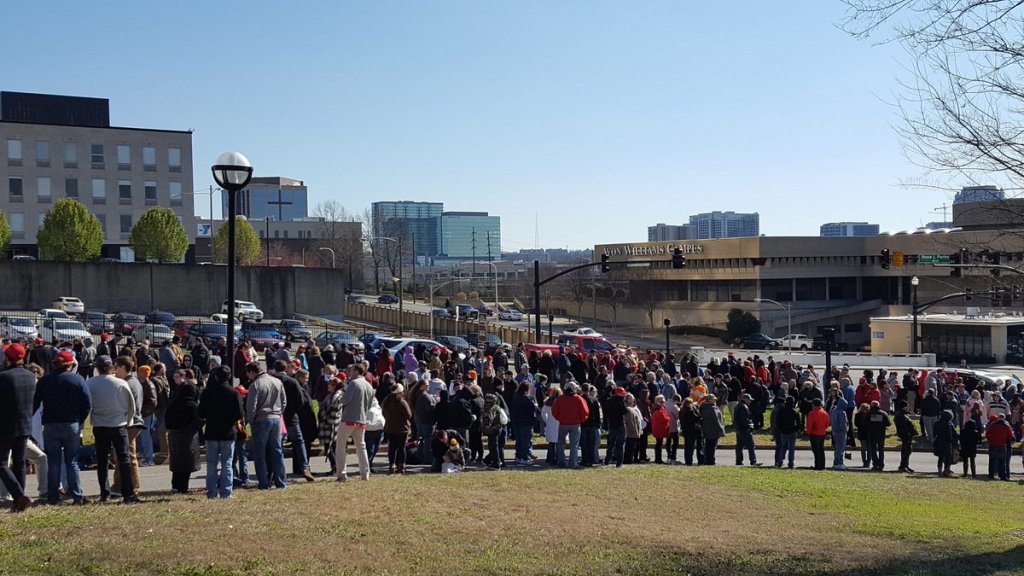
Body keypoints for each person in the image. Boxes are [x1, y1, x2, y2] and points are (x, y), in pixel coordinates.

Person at [33, 349, 91, 504]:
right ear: (70, 364)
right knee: (72, 462)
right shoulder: (78, 380)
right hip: (71, 424)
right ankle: (77, 495)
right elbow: (87, 404)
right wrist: (79, 420)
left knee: (53, 462)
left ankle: (53, 496)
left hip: (50, 424)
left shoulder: (45, 381)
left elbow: (35, 403)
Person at [85, 355, 138, 504]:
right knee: (124, 459)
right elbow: (131, 406)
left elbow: (87, 404)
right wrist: (128, 422)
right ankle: (128, 493)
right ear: (111, 367)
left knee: (102, 460)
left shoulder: (90, 383)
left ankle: (105, 493)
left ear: (97, 368)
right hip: (118, 424)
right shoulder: (121, 383)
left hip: (99, 425)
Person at [0, 343, 37, 512]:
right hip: (24, 424)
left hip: (5, 426)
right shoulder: (30, 376)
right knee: (19, 463)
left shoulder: (4, 377)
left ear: (8, 358)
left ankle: (19, 496)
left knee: (2, 463)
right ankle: (19, 501)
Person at [198, 365, 243, 499]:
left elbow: (200, 413)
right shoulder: (233, 393)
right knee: (227, 463)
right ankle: (226, 492)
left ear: (216, 376)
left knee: (211, 464)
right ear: (229, 377)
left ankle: (211, 491)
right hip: (228, 431)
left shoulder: (207, 393)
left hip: (212, 431)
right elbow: (239, 414)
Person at [244, 362, 288, 490]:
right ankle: (281, 481)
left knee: (260, 454)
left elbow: (251, 406)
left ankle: (264, 483)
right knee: (277, 452)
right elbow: (284, 401)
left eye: (248, 373)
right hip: (276, 418)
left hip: (261, 420)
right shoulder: (277, 381)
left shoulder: (255, 385)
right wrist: (279, 413)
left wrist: (250, 420)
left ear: (252, 372)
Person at [335, 364, 375, 482]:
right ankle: (365, 473)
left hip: (349, 418)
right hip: (361, 419)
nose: (349, 373)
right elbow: (369, 404)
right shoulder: (369, 385)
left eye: (351, 370)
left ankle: (342, 473)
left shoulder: (354, 383)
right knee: (361, 447)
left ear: (356, 371)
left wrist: (341, 396)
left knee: (341, 445)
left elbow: (345, 400)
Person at [165, 369, 201, 494]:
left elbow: (167, 420)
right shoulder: (193, 406)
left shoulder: (173, 403)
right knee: (187, 464)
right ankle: (183, 487)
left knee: (176, 463)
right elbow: (199, 420)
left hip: (174, 435)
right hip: (188, 436)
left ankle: (175, 486)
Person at [552, 383, 589, 468]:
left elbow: (554, 411)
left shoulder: (560, 399)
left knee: (561, 443)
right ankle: (573, 463)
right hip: (575, 424)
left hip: (563, 424)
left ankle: (561, 462)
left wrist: (559, 418)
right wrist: (581, 420)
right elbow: (585, 411)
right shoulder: (579, 398)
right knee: (574, 445)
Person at [381, 383, 412, 475]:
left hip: (390, 427)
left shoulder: (386, 401)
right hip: (402, 428)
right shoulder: (402, 402)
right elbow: (409, 415)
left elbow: (383, 412)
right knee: (401, 448)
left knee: (392, 448)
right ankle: (401, 465)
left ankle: (392, 465)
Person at [510, 382, 539, 465]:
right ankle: (524, 458)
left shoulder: (516, 398)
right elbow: (533, 408)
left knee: (519, 440)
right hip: (526, 422)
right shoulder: (527, 399)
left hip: (516, 422)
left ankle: (518, 457)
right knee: (525, 441)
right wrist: (535, 404)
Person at [985, 413, 1014, 481]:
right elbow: (1010, 436)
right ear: (1004, 418)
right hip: (1002, 446)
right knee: (1002, 462)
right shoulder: (1007, 426)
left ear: (998, 418)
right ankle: (1002, 475)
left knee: (992, 460)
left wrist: (990, 440)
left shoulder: (992, 425)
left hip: (993, 445)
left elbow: (987, 434)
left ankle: (991, 474)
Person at [776, 396, 801, 469]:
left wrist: (780, 429)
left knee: (783, 446)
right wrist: (796, 429)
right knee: (791, 448)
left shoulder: (781, 410)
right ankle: (791, 463)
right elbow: (799, 422)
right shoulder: (794, 411)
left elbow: (778, 421)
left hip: (783, 431)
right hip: (792, 431)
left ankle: (780, 461)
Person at [700, 395, 725, 465]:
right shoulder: (712, 408)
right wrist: (721, 430)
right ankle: (711, 461)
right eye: (714, 399)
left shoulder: (703, 407)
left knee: (707, 446)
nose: (715, 400)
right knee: (712, 446)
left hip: (706, 429)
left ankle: (706, 460)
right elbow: (716, 420)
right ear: (710, 400)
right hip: (714, 430)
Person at [734, 394, 758, 466]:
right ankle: (753, 461)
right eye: (749, 400)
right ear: (745, 400)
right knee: (751, 445)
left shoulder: (738, 406)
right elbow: (745, 419)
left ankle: (739, 461)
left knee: (739, 446)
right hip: (744, 429)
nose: (750, 401)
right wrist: (750, 427)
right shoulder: (743, 407)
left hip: (739, 429)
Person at [866, 400, 891, 471]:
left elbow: (866, 423)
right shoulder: (883, 413)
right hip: (881, 434)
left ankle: (875, 464)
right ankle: (881, 464)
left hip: (872, 434)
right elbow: (888, 423)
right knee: (881, 450)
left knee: (873, 450)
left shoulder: (869, 413)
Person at [933, 409, 958, 477]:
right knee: (948, 458)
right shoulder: (949, 424)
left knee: (940, 458)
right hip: (947, 443)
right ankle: (946, 471)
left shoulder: (937, 423)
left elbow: (934, 433)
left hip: (938, 442)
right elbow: (952, 434)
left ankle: (940, 472)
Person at [805, 398, 829, 470]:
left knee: (816, 451)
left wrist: (808, 432)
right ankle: (822, 465)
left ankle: (817, 465)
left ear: (813, 404)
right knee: (821, 450)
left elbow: (809, 424)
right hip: (822, 433)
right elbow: (827, 423)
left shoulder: (812, 413)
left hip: (814, 434)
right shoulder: (825, 413)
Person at [893, 400, 916, 473]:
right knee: (906, 451)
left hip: (907, 435)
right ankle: (903, 466)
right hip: (905, 436)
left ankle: (906, 465)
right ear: (903, 407)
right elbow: (903, 427)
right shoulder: (901, 415)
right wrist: (908, 434)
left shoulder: (903, 414)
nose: (908, 407)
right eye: (907, 406)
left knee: (908, 451)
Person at [829, 396, 849, 470]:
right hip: (841, 432)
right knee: (840, 449)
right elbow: (843, 424)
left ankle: (839, 462)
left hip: (834, 431)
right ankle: (838, 463)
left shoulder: (834, 411)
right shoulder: (842, 413)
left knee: (837, 448)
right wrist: (846, 430)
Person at [623, 394, 644, 464]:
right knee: (630, 447)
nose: (633, 400)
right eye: (632, 399)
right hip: (631, 432)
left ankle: (630, 459)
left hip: (633, 431)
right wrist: (635, 432)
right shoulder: (628, 409)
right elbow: (630, 422)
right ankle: (628, 460)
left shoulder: (631, 408)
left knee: (632, 447)